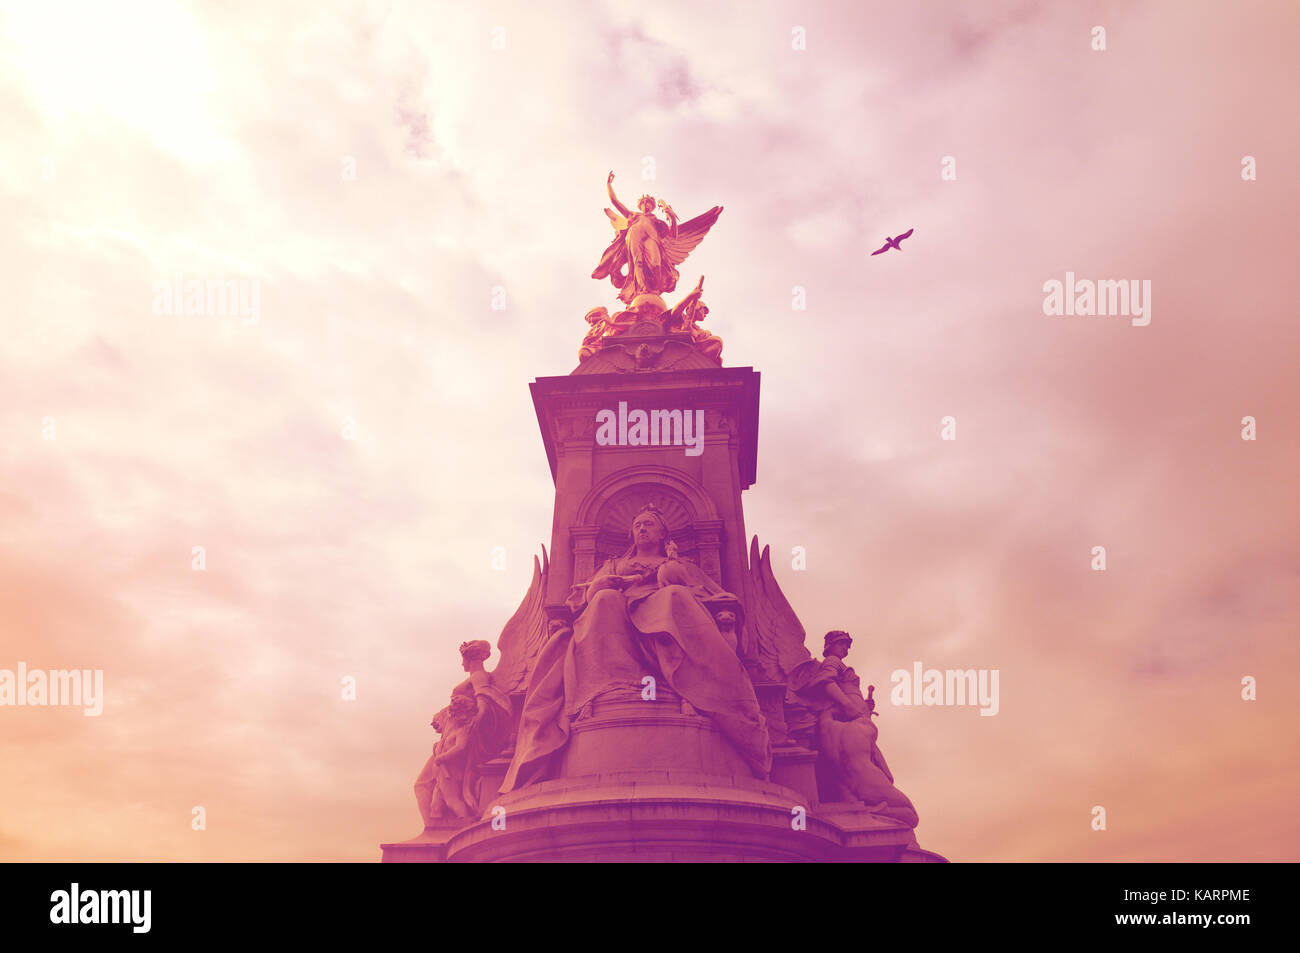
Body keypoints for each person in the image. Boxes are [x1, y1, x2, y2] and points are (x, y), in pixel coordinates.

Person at [501, 503, 770, 790]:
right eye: (638, 525)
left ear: (664, 533)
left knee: (674, 599)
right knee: (604, 601)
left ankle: (688, 685)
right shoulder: (614, 565)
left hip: (663, 608)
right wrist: (599, 585)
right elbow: (581, 596)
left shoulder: (679, 565)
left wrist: (672, 576)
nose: (642, 529)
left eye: (648, 524)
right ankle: (612, 687)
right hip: (617, 612)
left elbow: (711, 593)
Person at [789, 630, 920, 827]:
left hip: (854, 722)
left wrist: (863, 707)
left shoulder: (839, 664)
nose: (846, 649)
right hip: (849, 722)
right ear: (830, 646)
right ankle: (872, 807)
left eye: (847, 645)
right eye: (842, 644)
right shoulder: (832, 661)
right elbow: (825, 682)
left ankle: (870, 807)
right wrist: (848, 705)